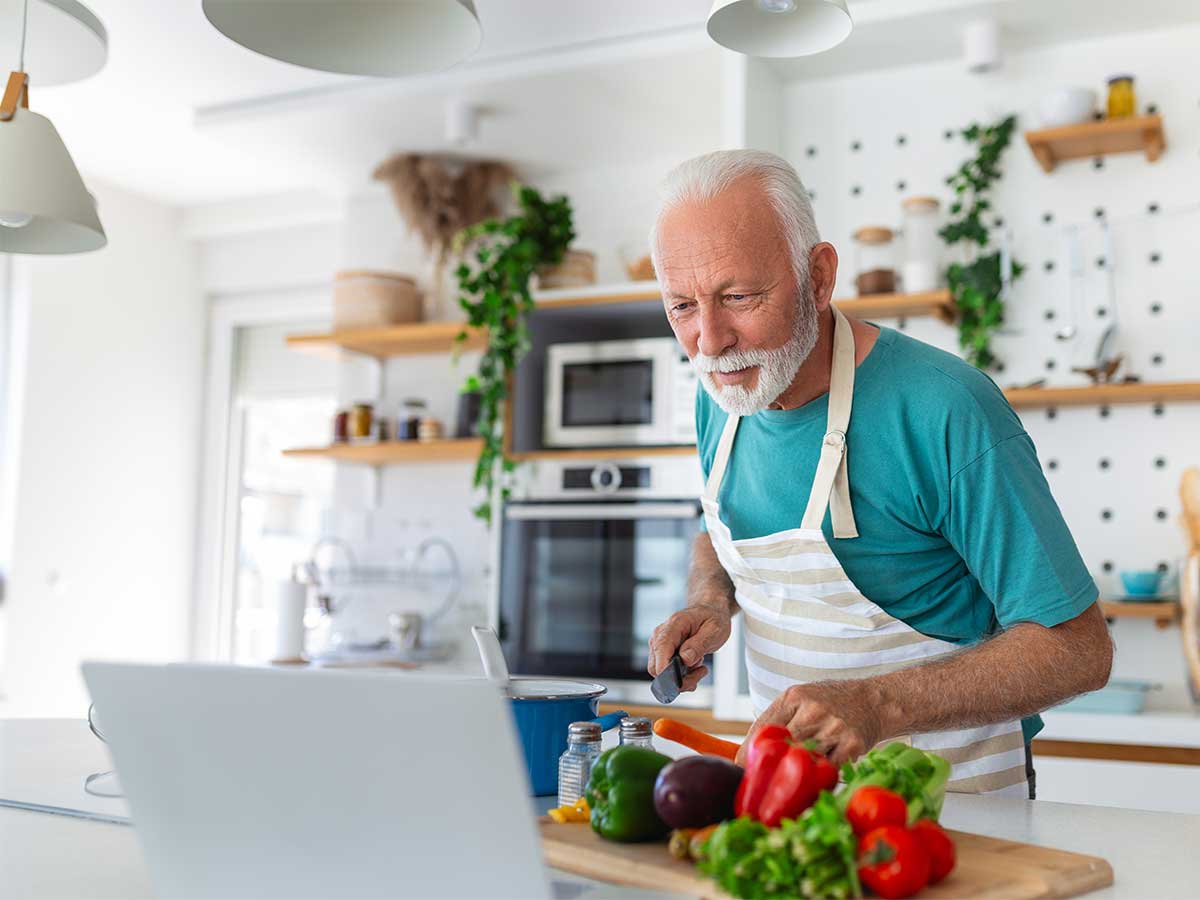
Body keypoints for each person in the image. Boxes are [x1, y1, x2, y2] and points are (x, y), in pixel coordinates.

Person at [645, 150, 1112, 797]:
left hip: (954, 817)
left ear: (818, 276)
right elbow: (721, 530)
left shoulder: (944, 407)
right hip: (789, 806)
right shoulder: (723, 396)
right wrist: (709, 600)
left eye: (738, 296)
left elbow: (1079, 649)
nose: (711, 340)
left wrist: (880, 705)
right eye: (682, 307)